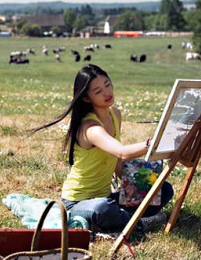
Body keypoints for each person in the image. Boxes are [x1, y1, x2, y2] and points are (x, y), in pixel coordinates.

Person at [32, 64, 173, 232]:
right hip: (78, 203)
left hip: (107, 196)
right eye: (98, 91)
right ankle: (140, 222)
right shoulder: (90, 128)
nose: (107, 93)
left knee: (162, 189)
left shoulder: (115, 115)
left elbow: (116, 161)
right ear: (86, 98)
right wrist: (152, 143)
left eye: (107, 84)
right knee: (102, 209)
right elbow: (121, 152)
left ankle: (125, 218)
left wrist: (134, 186)